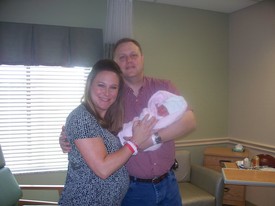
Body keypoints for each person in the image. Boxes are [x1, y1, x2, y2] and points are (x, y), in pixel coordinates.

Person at [60, 38, 196, 206]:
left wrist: (152, 139)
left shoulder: (163, 87)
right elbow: (88, 125)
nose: (129, 60)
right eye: (122, 57)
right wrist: (68, 138)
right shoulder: (111, 98)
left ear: (142, 58)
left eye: (133, 55)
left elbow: (190, 121)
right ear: (115, 62)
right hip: (133, 190)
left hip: (168, 183)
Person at [58, 59, 157, 206]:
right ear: (90, 84)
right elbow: (103, 169)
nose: (106, 93)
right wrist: (135, 142)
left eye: (113, 87)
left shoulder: (107, 119)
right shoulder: (81, 117)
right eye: (101, 85)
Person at [118, 90, 188, 152]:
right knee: (128, 129)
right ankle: (122, 136)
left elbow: (189, 123)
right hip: (138, 126)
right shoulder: (152, 110)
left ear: (170, 116)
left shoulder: (165, 122)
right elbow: (145, 113)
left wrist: (150, 138)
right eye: (162, 107)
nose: (162, 110)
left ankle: (131, 145)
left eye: (166, 111)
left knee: (156, 145)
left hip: (150, 141)